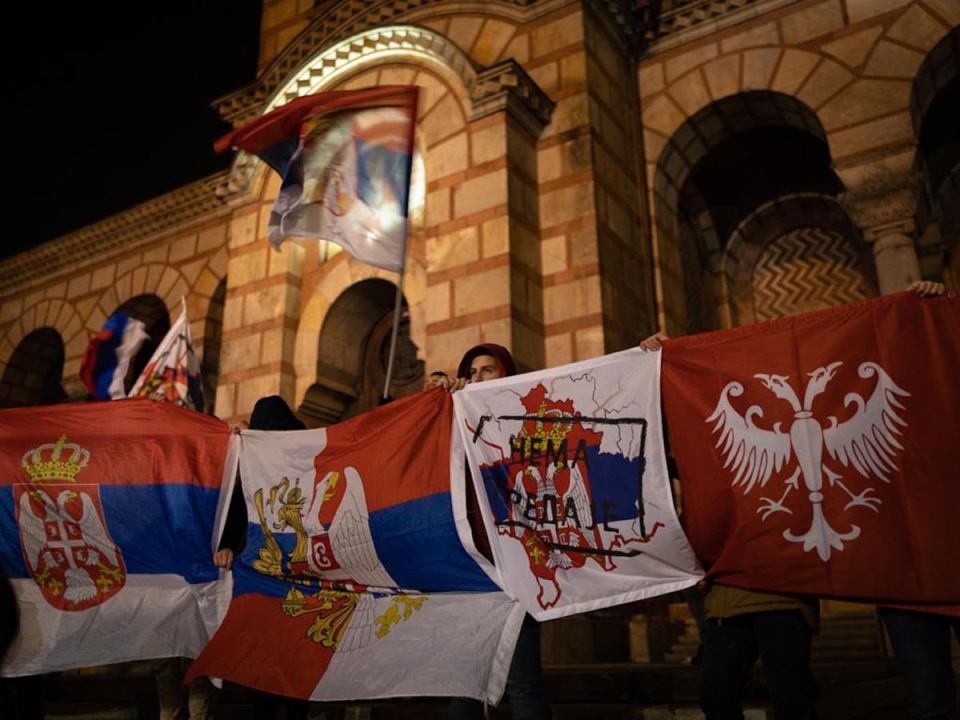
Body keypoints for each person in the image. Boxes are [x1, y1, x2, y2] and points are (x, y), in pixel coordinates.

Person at [435, 344, 551, 720]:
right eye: (472, 371)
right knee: (467, 683)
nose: (478, 378)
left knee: (522, 682)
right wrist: (434, 396)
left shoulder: (526, 424)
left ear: (507, 375)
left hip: (517, 569)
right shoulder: (458, 421)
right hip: (473, 569)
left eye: (489, 369)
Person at [213, 395, 310, 720]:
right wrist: (227, 543)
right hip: (265, 576)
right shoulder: (254, 466)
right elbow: (239, 503)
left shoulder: (307, 460)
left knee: (297, 662)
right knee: (266, 664)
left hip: (300, 577)